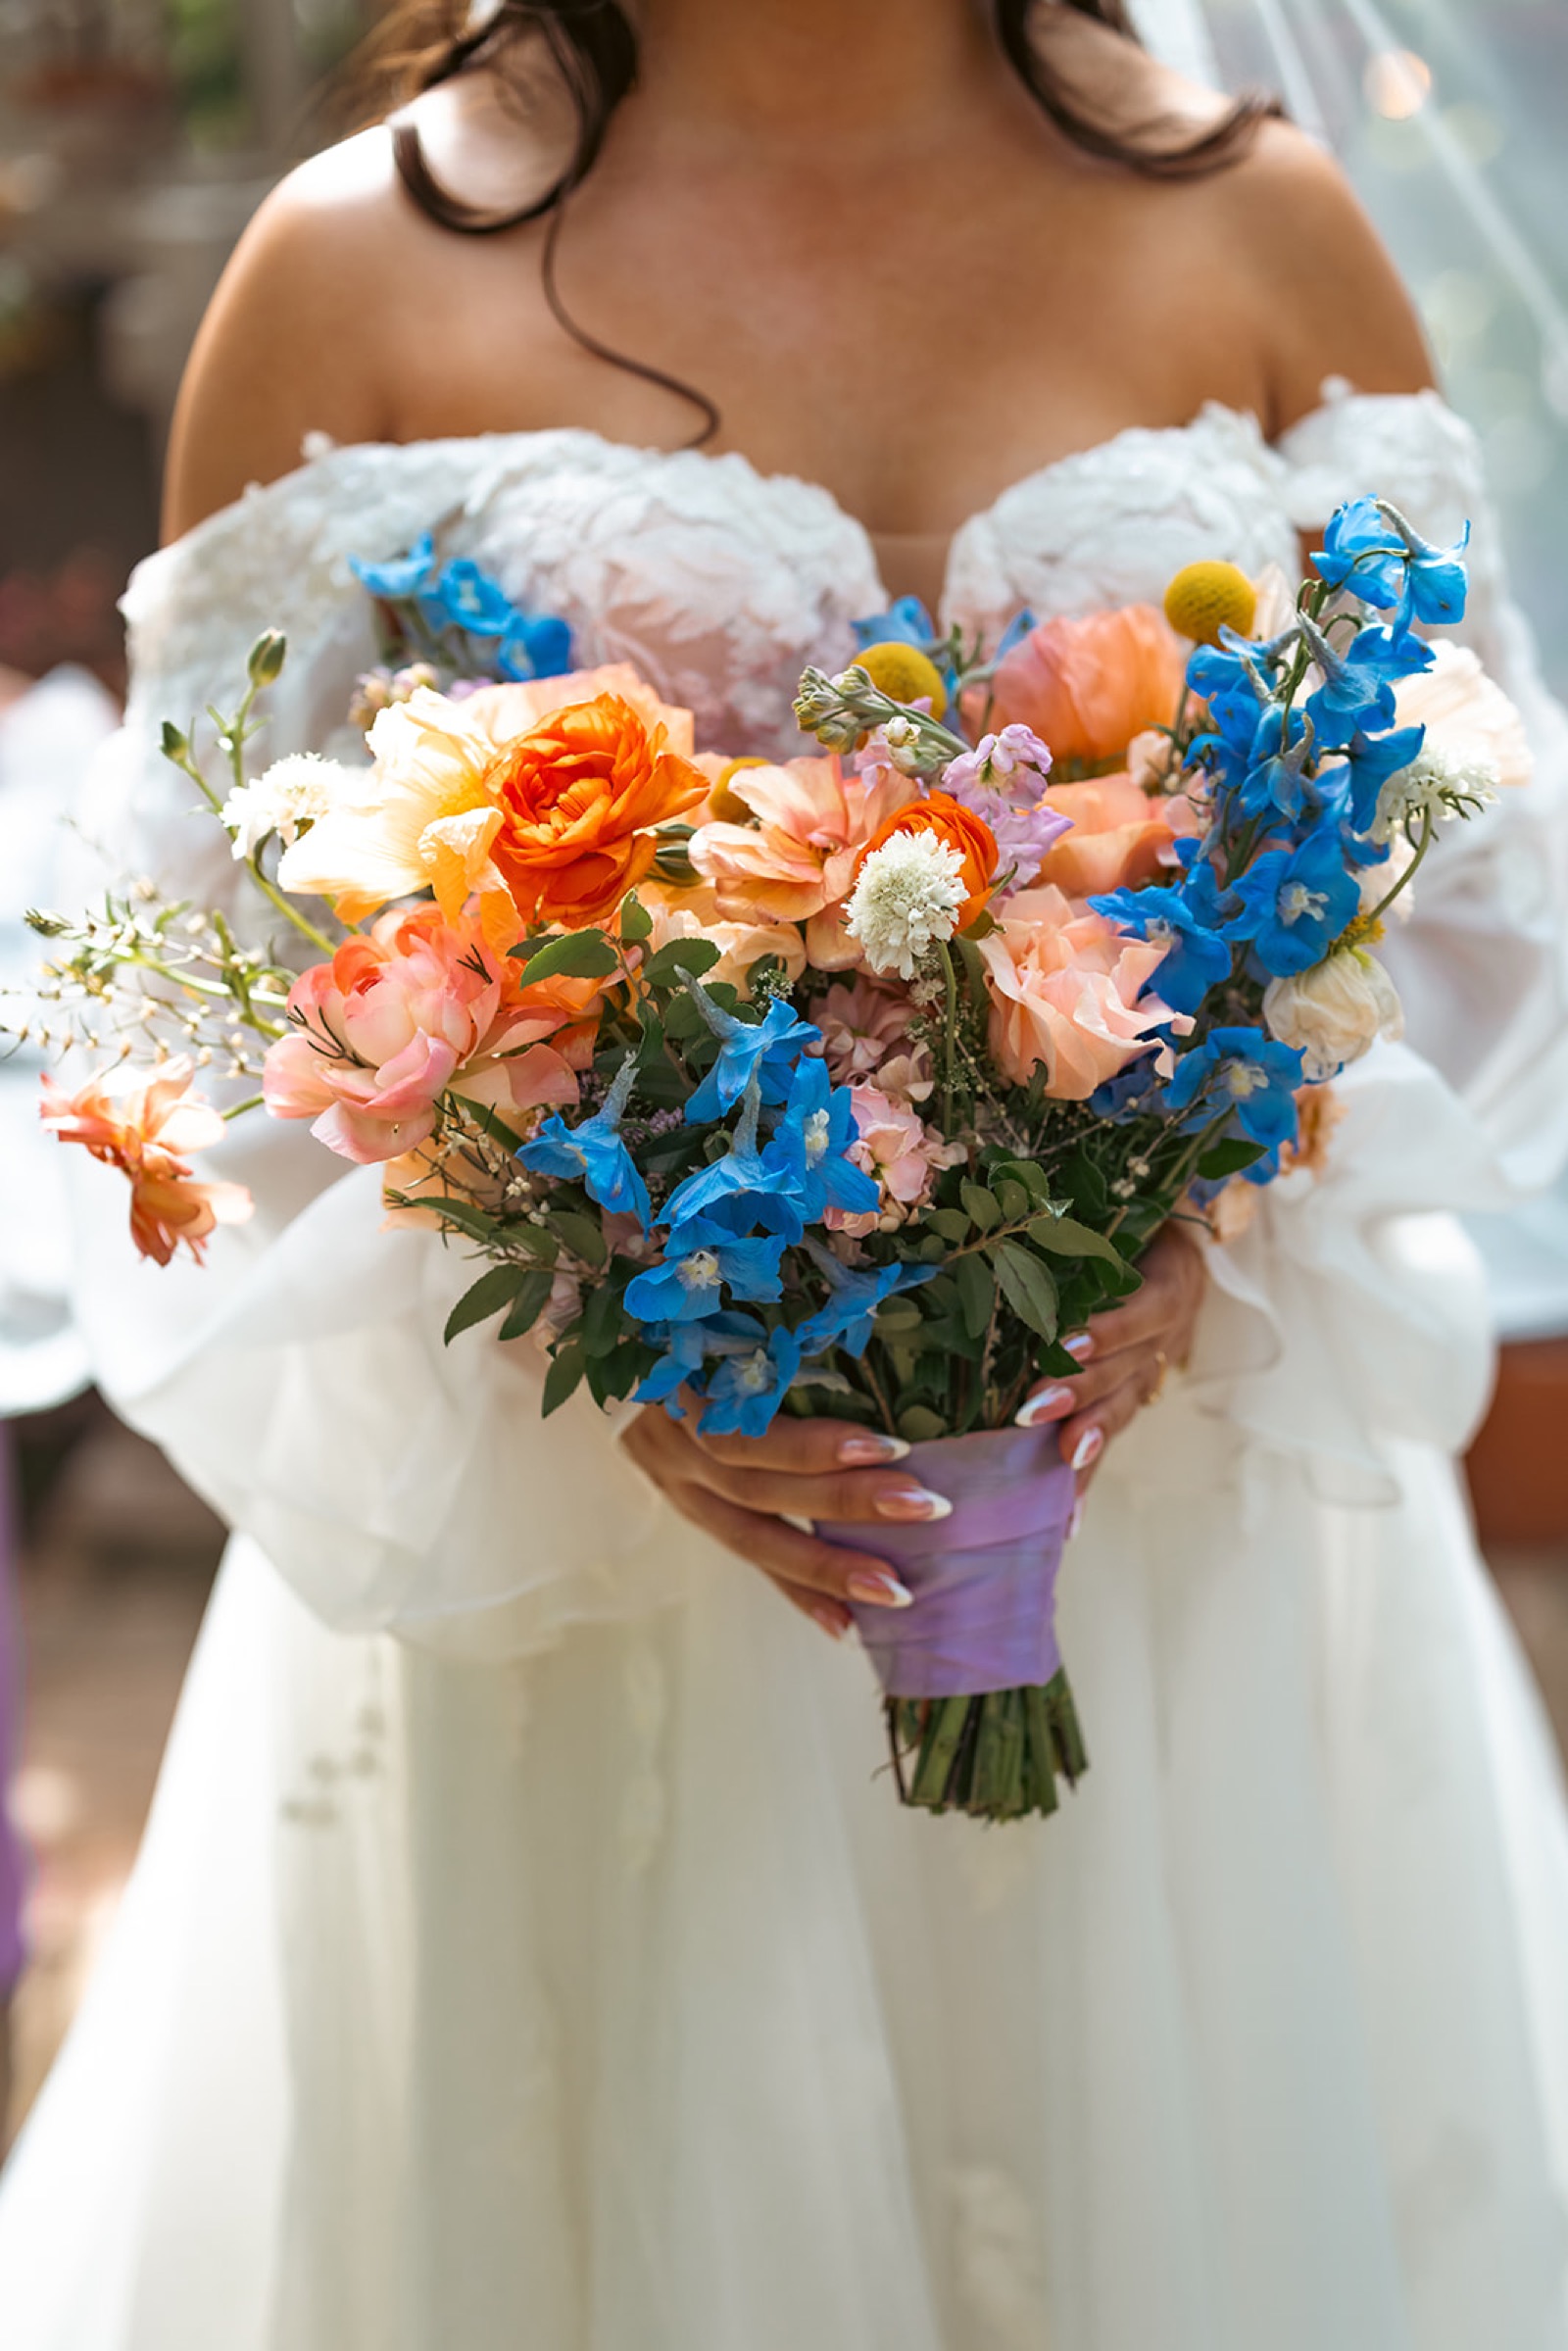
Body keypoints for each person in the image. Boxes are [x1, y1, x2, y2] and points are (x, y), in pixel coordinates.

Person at [3, 3, 1568, 2344]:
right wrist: (580, 1317)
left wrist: (1220, 1218)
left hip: (1179, 1570)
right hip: (602, 1599)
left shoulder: (1259, 220)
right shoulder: (346, 269)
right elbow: (210, 1023)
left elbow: (1459, 895)